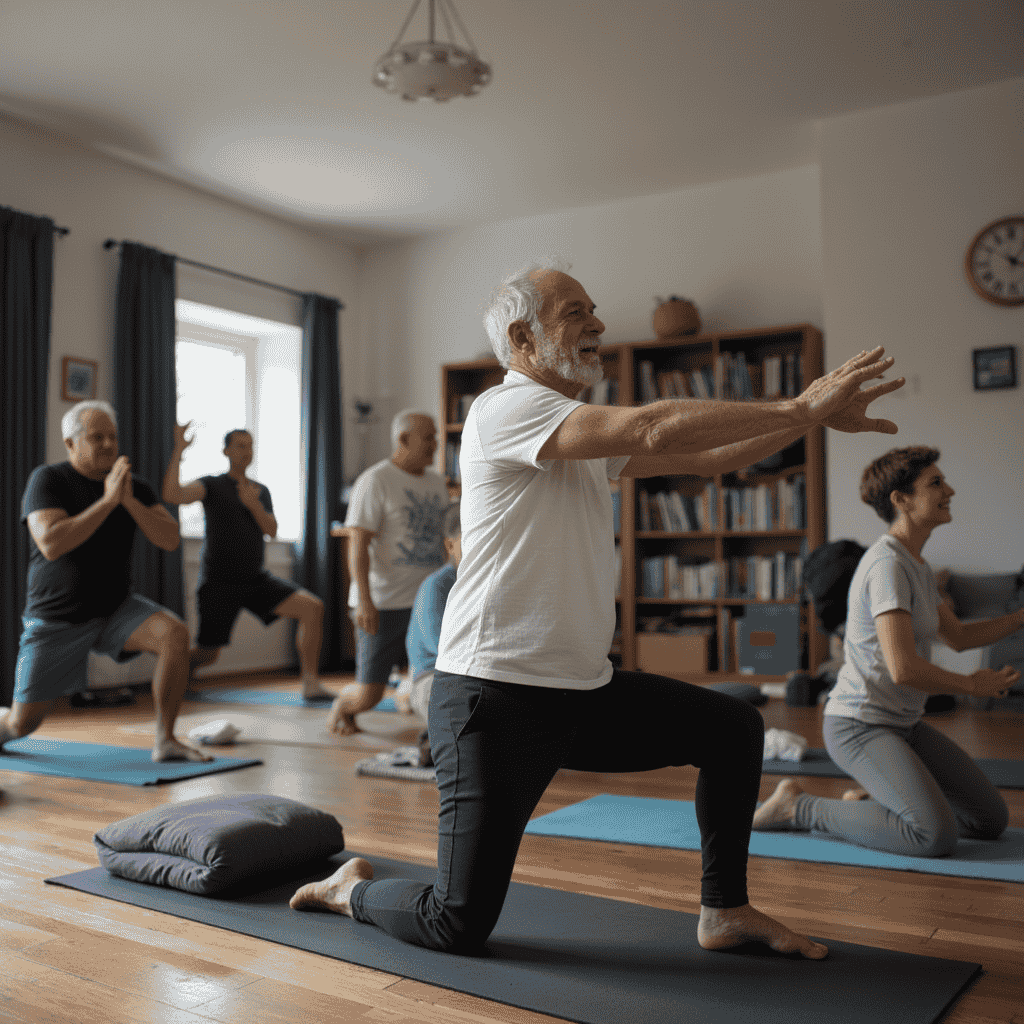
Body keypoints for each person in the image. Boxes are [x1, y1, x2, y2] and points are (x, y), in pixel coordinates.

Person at [290, 259, 907, 957]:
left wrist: (810, 424)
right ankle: (350, 890)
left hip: (579, 691)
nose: (599, 325)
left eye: (593, 310)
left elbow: (705, 457)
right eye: (576, 313)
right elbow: (651, 430)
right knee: (455, 922)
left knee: (732, 730)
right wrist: (801, 407)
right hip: (492, 699)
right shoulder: (507, 407)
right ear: (523, 337)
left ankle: (725, 909)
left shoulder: (571, 430)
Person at [754, 447, 1021, 854]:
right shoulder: (887, 566)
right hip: (858, 725)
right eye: (935, 483)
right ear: (902, 500)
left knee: (988, 821)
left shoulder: (916, 565)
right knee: (932, 836)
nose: (949, 489)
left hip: (903, 726)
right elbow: (903, 669)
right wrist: (972, 684)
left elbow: (958, 637)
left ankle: (879, 802)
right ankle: (798, 807)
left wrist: (1021, 617)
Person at [0, 401, 210, 762]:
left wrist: (127, 501)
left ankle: (166, 740)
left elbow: (170, 539)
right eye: (96, 437)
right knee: (20, 726)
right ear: (71, 443)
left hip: (116, 610)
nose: (108, 445)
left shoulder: (134, 487)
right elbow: (51, 543)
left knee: (174, 634)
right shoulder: (48, 479)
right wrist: (109, 502)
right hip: (57, 617)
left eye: (112, 437)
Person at [162, 424, 332, 701]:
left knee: (312, 608)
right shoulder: (212, 485)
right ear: (226, 451)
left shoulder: (260, 491)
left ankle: (310, 683)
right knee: (208, 654)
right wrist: (179, 451)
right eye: (240, 445)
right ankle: (180, 675)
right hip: (218, 583)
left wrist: (254, 506)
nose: (246, 451)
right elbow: (172, 496)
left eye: (250, 445)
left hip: (255, 580)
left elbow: (272, 530)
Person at [327, 410, 449, 736]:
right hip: (383, 602)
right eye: (429, 437)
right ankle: (344, 703)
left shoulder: (437, 482)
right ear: (404, 439)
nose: (436, 444)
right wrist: (364, 600)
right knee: (368, 696)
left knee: (433, 676)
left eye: (436, 436)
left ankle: (409, 695)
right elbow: (358, 544)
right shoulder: (375, 480)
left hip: (425, 602)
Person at [403, 501, 462, 765]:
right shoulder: (438, 585)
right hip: (433, 679)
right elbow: (443, 648)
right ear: (450, 545)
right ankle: (435, 739)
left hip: (467, 675)